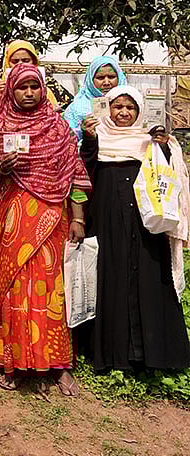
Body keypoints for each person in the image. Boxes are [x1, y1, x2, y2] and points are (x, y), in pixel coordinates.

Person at [0, 63, 90, 395]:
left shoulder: (58, 127)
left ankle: (59, 365)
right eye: (22, 87)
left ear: (42, 89)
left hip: (53, 218)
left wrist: (78, 218)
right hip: (13, 217)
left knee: (53, 289)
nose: (28, 93)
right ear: (11, 90)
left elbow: (75, 175)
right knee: (14, 286)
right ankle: (13, 363)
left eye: (34, 87)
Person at [79, 86, 190, 371]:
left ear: (139, 111)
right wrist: (89, 142)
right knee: (110, 275)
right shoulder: (99, 138)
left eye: (130, 108)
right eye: (118, 107)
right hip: (107, 220)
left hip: (144, 224)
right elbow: (84, 170)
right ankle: (112, 355)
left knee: (149, 274)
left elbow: (165, 175)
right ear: (108, 110)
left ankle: (153, 356)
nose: (124, 113)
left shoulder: (148, 141)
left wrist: (163, 145)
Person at [63, 55, 126, 140]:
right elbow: (66, 141)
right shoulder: (76, 109)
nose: (106, 82)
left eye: (111, 77)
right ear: (91, 81)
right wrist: (85, 133)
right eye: (100, 78)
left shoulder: (130, 102)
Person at [0, 40, 73, 108]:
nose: (20, 65)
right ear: (8, 63)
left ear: (34, 62)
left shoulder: (48, 82)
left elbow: (65, 106)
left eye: (25, 60)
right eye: (15, 61)